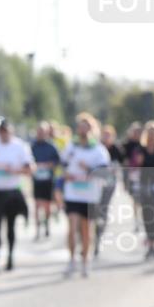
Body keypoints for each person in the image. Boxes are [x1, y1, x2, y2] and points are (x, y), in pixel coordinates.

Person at [61, 112, 111, 277]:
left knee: (86, 230)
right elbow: (62, 164)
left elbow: (104, 172)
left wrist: (88, 169)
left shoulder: (99, 150)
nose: (82, 130)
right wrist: (65, 174)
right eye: (80, 127)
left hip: (90, 195)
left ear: (91, 129)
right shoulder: (71, 147)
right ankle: (71, 260)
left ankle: (85, 260)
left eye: (86, 127)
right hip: (73, 193)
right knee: (71, 227)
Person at [0, 118, 32, 273]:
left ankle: (10, 257)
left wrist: (13, 170)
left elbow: (29, 169)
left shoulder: (20, 146)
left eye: (6, 132)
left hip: (12, 191)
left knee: (10, 226)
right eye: (1, 132)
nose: (3, 134)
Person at [30, 121, 61, 240]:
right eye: (39, 132)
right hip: (37, 180)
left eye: (42, 132)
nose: (40, 134)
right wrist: (35, 166)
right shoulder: (33, 146)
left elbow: (57, 161)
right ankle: (37, 230)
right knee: (37, 205)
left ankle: (47, 224)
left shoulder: (52, 146)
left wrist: (49, 165)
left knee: (47, 206)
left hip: (48, 180)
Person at [94, 124, 122, 256]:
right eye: (104, 135)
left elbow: (121, 164)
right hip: (95, 184)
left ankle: (99, 236)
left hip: (109, 184)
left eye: (108, 135)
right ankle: (93, 233)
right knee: (94, 208)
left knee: (103, 209)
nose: (106, 137)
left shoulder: (116, 149)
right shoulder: (96, 148)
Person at [138, 121, 154, 260]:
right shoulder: (141, 150)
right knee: (148, 216)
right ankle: (151, 245)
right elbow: (136, 166)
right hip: (145, 186)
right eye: (149, 133)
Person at [123, 121, 145, 232]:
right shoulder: (127, 145)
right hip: (132, 176)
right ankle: (137, 220)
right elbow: (125, 163)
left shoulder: (144, 145)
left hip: (144, 176)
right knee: (135, 199)